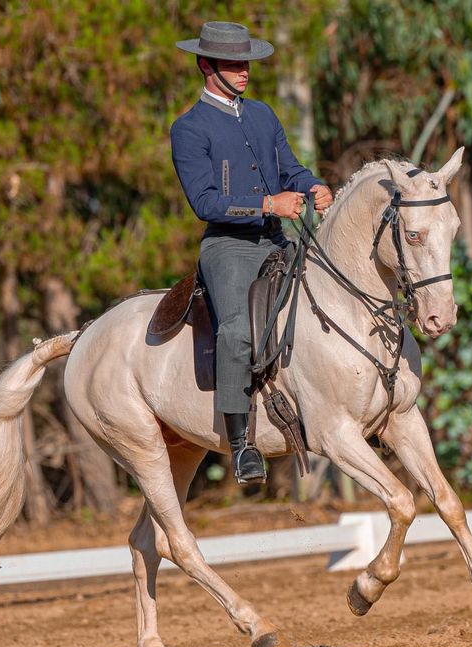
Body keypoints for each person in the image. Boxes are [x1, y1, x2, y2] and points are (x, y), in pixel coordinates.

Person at [171, 21, 333, 483]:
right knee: (237, 332)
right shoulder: (188, 129)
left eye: (246, 63)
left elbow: (291, 169)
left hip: (276, 238)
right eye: (233, 65)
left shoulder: (262, 114)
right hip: (228, 247)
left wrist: (313, 186)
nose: (244, 72)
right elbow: (204, 203)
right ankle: (241, 446)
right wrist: (267, 204)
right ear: (206, 66)